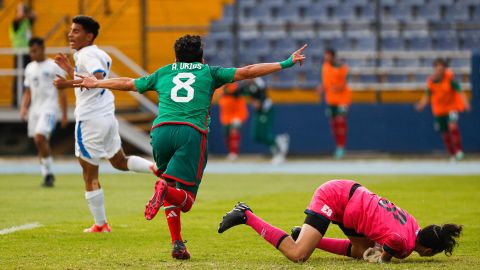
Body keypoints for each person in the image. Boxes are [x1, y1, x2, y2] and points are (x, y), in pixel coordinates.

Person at [73, 34, 307, 259]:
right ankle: (164, 191)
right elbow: (247, 72)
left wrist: (97, 83)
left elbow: (129, 83)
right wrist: (286, 62)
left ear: (175, 58)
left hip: (160, 131)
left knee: (169, 183)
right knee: (185, 199)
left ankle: (177, 243)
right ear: (201, 58)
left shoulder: (164, 71)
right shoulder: (209, 72)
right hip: (190, 133)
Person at [52, 15, 158, 233]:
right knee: (119, 161)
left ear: (89, 35)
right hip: (106, 117)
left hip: (90, 120)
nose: (71, 34)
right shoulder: (99, 53)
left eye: (76, 31)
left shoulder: (86, 54)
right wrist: (71, 72)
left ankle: (100, 224)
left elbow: (97, 78)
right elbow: (94, 78)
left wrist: (66, 83)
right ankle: (156, 169)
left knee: (89, 174)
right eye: (71, 30)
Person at [218, 180, 462, 263]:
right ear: (429, 250)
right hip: (336, 198)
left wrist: (377, 252)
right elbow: (394, 241)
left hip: (352, 197)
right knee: (298, 255)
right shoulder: (406, 245)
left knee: (362, 251)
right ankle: (245, 215)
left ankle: (301, 233)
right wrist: (384, 259)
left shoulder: (413, 224)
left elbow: (391, 233)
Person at [19, 37, 68, 187]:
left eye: (35, 51)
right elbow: (27, 91)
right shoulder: (29, 68)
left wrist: (65, 113)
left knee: (40, 138)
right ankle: (47, 174)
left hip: (49, 108)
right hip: (35, 109)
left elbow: (62, 91)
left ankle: (48, 172)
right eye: (30, 51)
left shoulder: (53, 66)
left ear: (42, 49)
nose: (32, 54)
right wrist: (24, 107)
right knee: (40, 142)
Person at [416, 58, 471, 161]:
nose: (439, 71)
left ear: (445, 69)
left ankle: (459, 151)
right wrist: (421, 105)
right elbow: (427, 96)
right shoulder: (431, 82)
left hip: (452, 108)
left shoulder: (450, 79)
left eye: (442, 69)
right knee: (444, 133)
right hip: (439, 110)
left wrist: (466, 103)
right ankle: (452, 154)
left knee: (453, 126)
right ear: (435, 69)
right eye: (437, 69)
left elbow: (460, 92)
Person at [240, 78, 289, 164]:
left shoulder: (259, 83)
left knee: (266, 134)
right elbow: (240, 91)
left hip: (266, 110)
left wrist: (259, 102)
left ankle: (278, 153)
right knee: (256, 135)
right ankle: (279, 140)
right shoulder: (247, 84)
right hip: (258, 112)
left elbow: (262, 95)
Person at [316, 48, 351, 159]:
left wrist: (334, 87)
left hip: (342, 99)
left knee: (341, 122)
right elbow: (325, 83)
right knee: (333, 124)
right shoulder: (325, 67)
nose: (326, 57)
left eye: (328, 55)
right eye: (325, 55)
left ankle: (341, 147)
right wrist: (321, 88)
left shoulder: (341, 67)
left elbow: (343, 84)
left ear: (333, 56)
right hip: (331, 100)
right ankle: (338, 147)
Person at [9, 2, 35, 106]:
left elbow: (34, 15)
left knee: (28, 75)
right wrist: (21, 9)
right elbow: (20, 17)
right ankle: (16, 101)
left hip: (28, 52)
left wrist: (26, 10)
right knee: (19, 76)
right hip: (20, 53)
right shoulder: (15, 22)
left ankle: (27, 100)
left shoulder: (26, 21)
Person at [218, 82, 249, 161]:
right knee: (227, 137)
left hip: (236, 116)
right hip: (226, 118)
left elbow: (237, 91)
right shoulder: (222, 93)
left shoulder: (235, 91)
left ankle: (234, 153)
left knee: (234, 132)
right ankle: (231, 151)